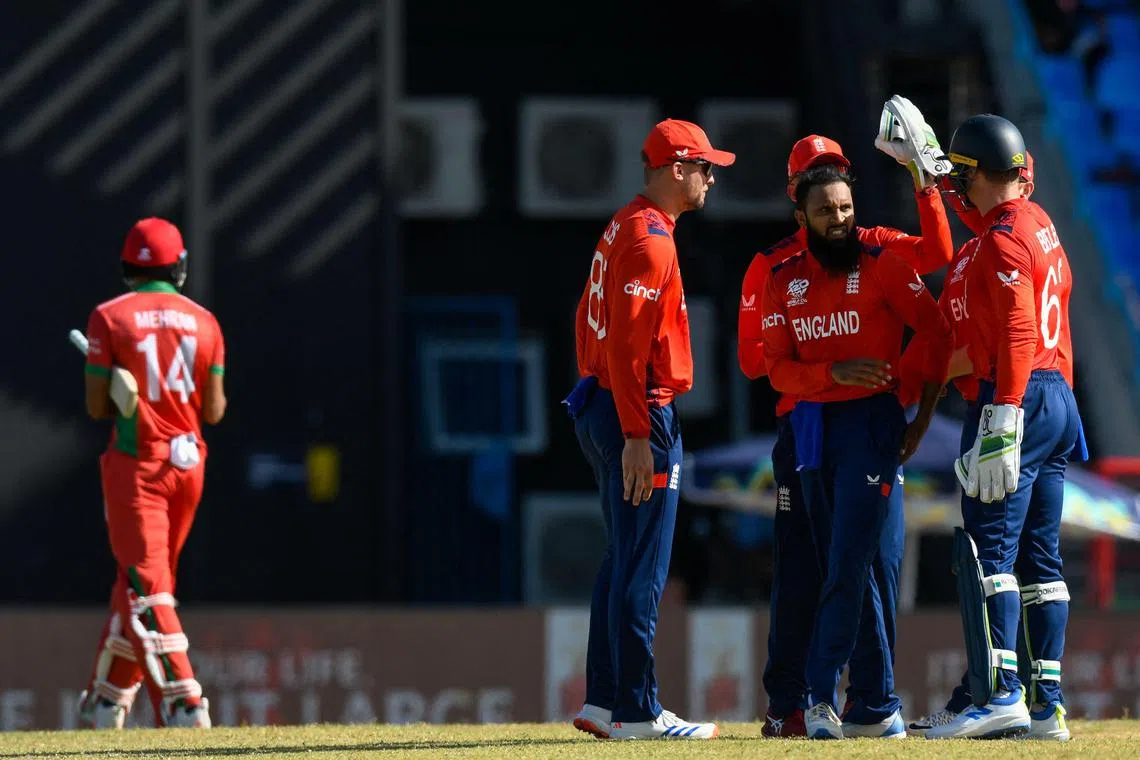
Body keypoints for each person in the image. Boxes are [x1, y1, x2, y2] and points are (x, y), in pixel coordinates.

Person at [738, 130, 955, 737]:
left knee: (870, 563)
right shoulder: (775, 268)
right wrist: (827, 373)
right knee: (811, 568)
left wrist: (923, 179)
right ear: (796, 200)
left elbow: (935, 261)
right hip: (802, 427)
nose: (838, 215)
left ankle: (863, 702)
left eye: (844, 195)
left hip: (870, 423)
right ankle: (798, 703)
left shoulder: (878, 251)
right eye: (822, 193)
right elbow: (758, 362)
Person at [563, 119, 734, 740]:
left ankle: (606, 701)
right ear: (677, 170)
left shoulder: (625, 225)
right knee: (644, 565)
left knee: (622, 558)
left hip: (607, 406)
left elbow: (593, 325)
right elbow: (630, 350)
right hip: (636, 414)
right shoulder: (650, 240)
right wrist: (638, 432)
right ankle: (636, 709)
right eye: (705, 167)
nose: (712, 178)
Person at [923, 115, 1080, 741]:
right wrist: (929, 179)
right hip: (1059, 393)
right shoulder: (1036, 223)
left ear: (983, 174)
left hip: (1019, 392)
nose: (959, 187)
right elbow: (991, 231)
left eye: (963, 175)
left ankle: (1000, 694)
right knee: (1043, 556)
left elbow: (1016, 329)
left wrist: (1006, 412)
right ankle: (1048, 703)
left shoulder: (1000, 241)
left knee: (989, 547)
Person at [77, 218, 226, 729]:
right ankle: (107, 701)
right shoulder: (205, 321)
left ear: (126, 268)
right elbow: (215, 409)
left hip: (137, 466)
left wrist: (121, 393)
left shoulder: (108, 317)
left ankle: (185, 705)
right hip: (189, 467)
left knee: (146, 589)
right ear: (179, 267)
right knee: (141, 580)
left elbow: (97, 406)